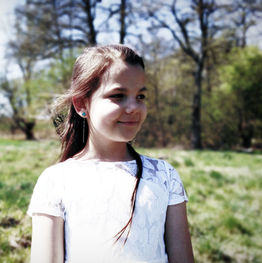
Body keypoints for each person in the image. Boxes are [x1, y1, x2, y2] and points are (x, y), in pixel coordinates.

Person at [28, 44, 194, 263]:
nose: (133, 107)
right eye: (118, 95)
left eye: (140, 96)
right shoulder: (56, 181)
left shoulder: (164, 176)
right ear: (81, 104)